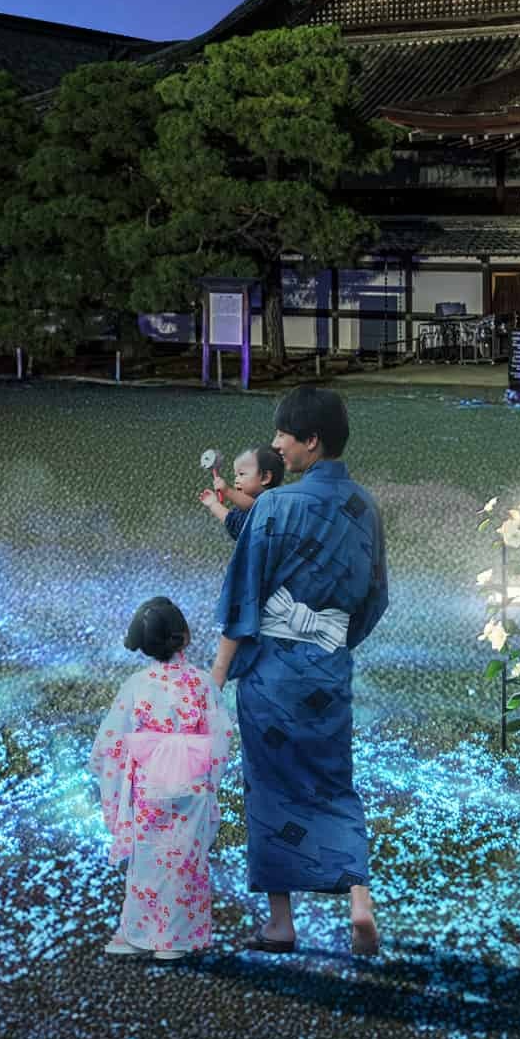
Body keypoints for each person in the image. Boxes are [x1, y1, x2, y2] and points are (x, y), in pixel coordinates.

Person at [212, 386, 388, 957]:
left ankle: (281, 924)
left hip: (272, 675)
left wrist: (216, 676)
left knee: (270, 790)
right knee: (334, 781)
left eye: (283, 435)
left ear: (311, 441)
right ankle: (359, 902)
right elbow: (376, 598)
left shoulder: (273, 507)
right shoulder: (365, 507)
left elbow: (243, 597)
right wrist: (333, 642)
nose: (276, 445)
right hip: (327, 671)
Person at [89, 597, 232, 960]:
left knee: (148, 858)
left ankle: (139, 933)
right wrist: (211, 778)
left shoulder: (137, 684)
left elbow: (111, 741)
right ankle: (175, 940)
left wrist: (115, 776)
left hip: (149, 783)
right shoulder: (201, 683)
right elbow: (221, 736)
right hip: (192, 779)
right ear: (185, 636)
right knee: (186, 858)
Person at [198, 445, 286, 538]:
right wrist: (213, 504)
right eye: (236, 475)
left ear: (265, 477)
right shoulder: (242, 510)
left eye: (241, 474)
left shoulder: (272, 502)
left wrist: (227, 491)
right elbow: (231, 520)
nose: (236, 480)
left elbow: (256, 506)